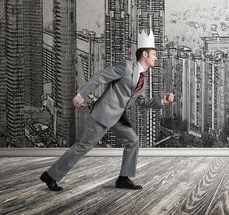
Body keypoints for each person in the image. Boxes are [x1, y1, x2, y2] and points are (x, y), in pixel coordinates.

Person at [40, 29, 174, 191]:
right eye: (154, 54)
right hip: (103, 113)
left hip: (118, 117)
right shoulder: (126, 67)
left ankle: (123, 179)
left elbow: (142, 101)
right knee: (83, 146)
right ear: (144, 54)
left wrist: (162, 101)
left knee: (133, 141)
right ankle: (51, 175)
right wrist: (82, 93)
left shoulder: (143, 81)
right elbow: (100, 77)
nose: (156, 57)